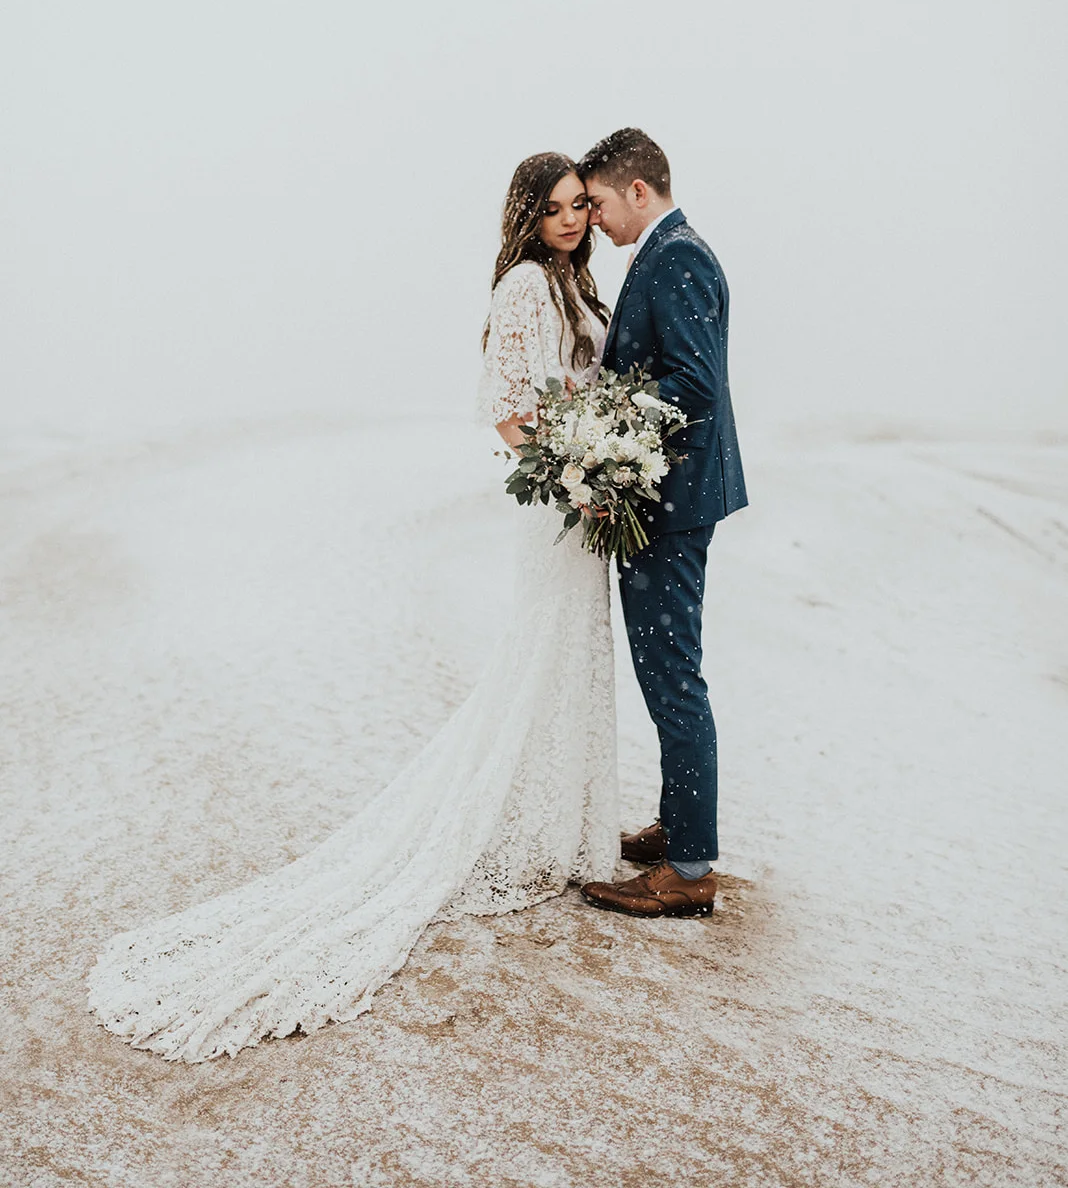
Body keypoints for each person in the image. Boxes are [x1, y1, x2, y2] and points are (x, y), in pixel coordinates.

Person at [86, 152, 619, 1061]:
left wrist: (601, 457)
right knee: (544, 655)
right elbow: (505, 410)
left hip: (586, 503)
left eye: (579, 206)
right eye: (555, 208)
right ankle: (527, 829)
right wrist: (572, 476)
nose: (570, 220)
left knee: (575, 657)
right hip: (559, 506)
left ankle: (562, 829)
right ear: (527, 216)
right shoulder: (526, 286)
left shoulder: (574, 286)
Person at [576, 128, 746, 920]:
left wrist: (606, 422)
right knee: (666, 669)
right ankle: (680, 825)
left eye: (598, 202)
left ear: (637, 191)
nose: (594, 218)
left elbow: (695, 383)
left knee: (673, 675)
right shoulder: (667, 252)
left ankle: (689, 868)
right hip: (669, 500)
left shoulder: (677, 256)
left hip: (670, 507)